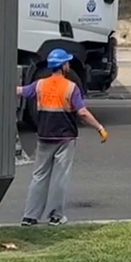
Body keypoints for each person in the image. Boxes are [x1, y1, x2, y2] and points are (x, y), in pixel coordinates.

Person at [16, 49, 107, 227]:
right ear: (63, 66)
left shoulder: (40, 85)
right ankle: (55, 216)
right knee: (60, 177)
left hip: (44, 137)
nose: (69, 65)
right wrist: (99, 128)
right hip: (65, 138)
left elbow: (20, 91)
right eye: (67, 62)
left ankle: (29, 216)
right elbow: (82, 112)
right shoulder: (71, 87)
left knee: (39, 176)